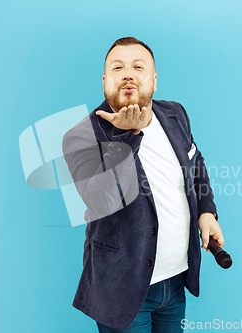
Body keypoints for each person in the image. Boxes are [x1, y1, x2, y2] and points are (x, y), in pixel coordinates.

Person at [62, 37, 224, 333]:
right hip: (123, 291)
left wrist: (207, 212)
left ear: (154, 80)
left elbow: (195, 160)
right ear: (104, 80)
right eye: (118, 67)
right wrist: (127, 136)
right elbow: (102, 200)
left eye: (138, 66)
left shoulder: (174, 114)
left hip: (175, 283)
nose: (128, 74)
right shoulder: (81, 136)